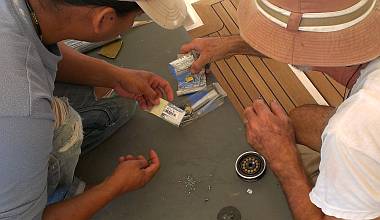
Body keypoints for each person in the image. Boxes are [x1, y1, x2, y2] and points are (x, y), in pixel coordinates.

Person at [181, 0, 380, 219]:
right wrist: (232, 45)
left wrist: (283, 159)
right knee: (299, 121)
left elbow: (352, 135)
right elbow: (308, 47)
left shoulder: (350, 132)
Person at [0, 0, 187, 219]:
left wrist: (117, 77)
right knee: (72, 127)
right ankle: (52, 197)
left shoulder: (23, 14)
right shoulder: (24, 113)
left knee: (119, 106)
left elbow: (36, 45)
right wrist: (113, 187)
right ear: (104, 19)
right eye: (134, 17)